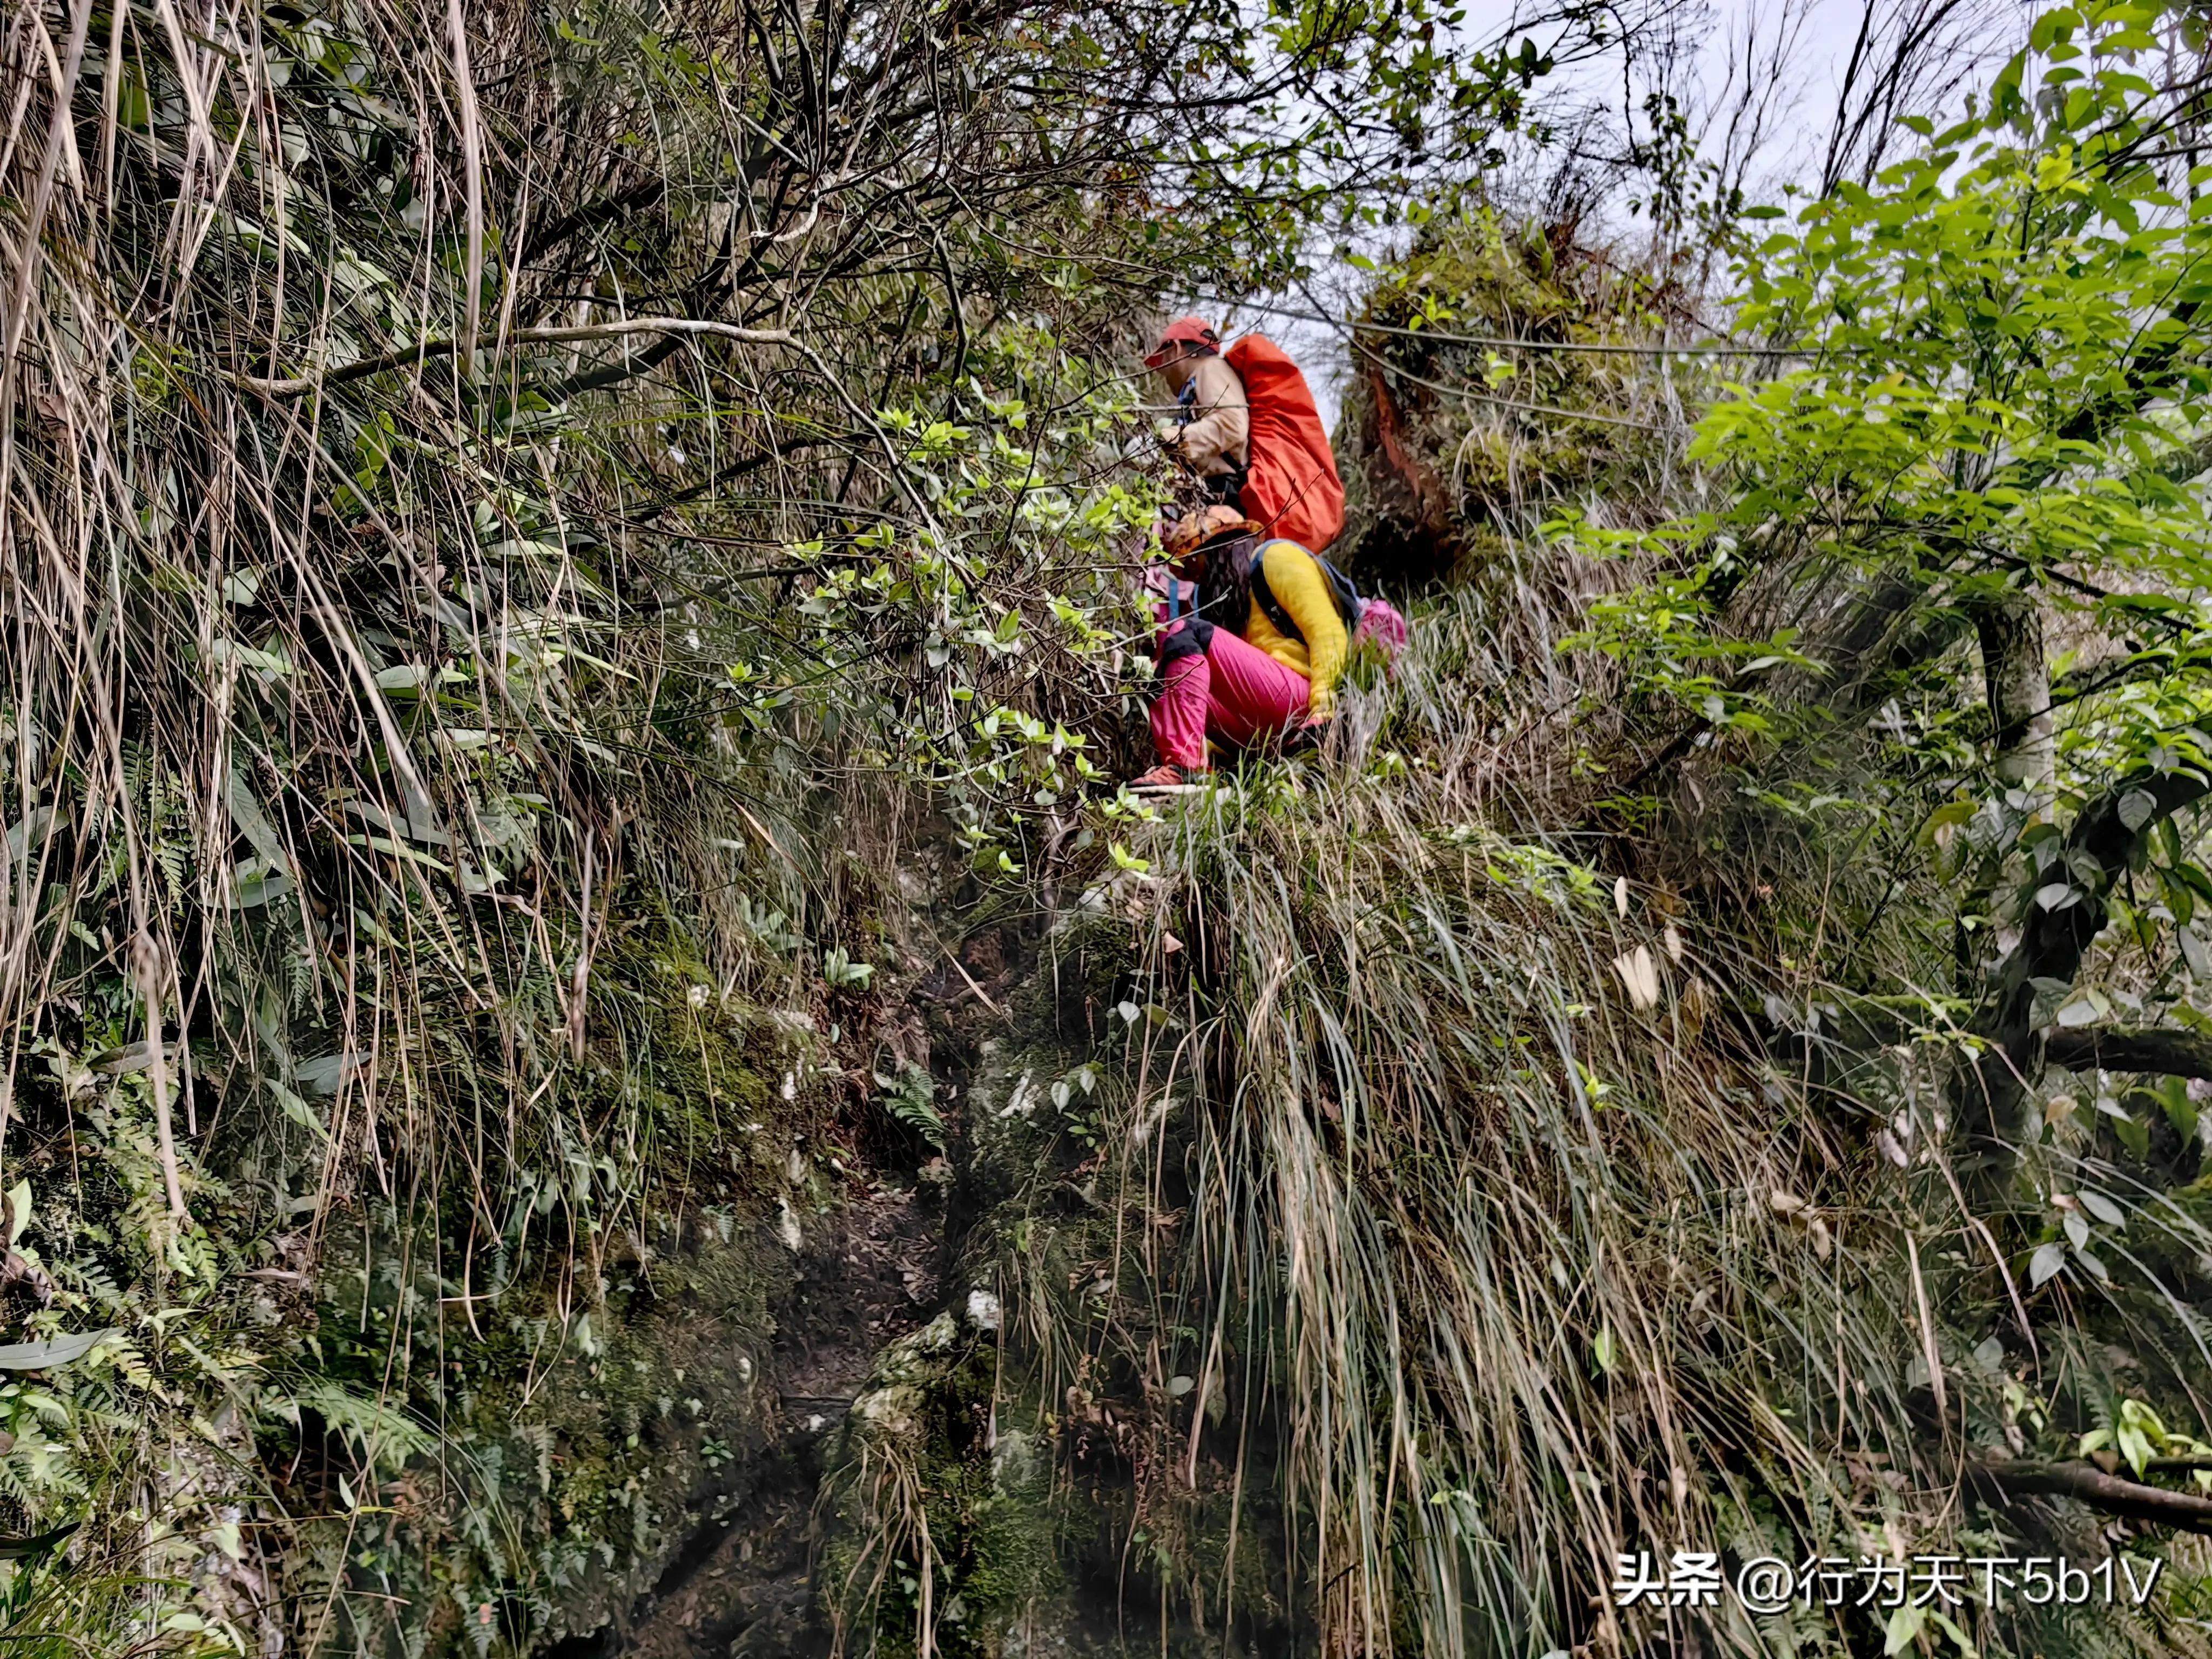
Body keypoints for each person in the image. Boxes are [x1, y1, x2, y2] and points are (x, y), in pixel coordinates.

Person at [1131, 506, 1349, 791]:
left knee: (1186, 631)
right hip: (1262, 730)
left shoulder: (1276, 558)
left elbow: (1327, 632)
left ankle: (1186, 767)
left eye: (1201, 566)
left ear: (1222, 550)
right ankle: (1191, 768)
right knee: (1167, 674)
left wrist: (1324, 708)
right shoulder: (1234, 602)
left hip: (1301, 707)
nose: (1201, 581)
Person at [1144, 316, 1249, 508]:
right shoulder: (1194, 385)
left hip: (1224, 494)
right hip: (1209, 494)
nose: (1162, 370)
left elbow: (1232, 425)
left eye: (1163, 359)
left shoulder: (1211, 368)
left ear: (1176, 349)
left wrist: (1165, 439)